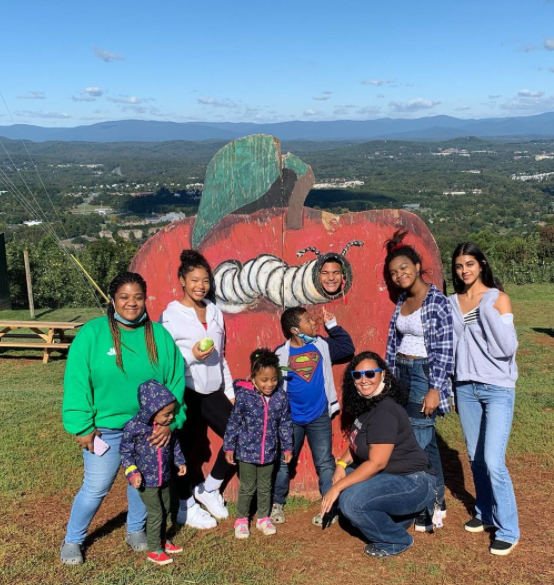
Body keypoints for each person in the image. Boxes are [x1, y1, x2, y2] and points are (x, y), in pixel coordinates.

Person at [60, 272, 186, 566]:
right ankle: (73, 540)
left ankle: (135, 530)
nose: (132, 303)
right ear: (113, 300)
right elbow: (77, 382)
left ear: (145, 299)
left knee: (142, 484)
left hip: (148, 430)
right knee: (96, 487)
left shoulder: (159, 336)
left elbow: (175, 380)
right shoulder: (92, 334)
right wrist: (82, 427)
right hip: (104, 430)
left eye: (138, 297)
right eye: (124, 297)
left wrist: (168, 422)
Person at [321, 351, 436, 557]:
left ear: (382, 374)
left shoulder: (384, 412)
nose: (363, 380)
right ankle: (399, 520)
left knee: (351, 502)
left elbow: (376, 463)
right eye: (358, 376)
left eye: (370, 374)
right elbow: (357, 444)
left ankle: (397, 541)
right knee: (339, 487)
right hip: (390, 476)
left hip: (414, 481)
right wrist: (340, 465)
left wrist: (338, 487)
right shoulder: (368, 405)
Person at [450, 242, 520, 556]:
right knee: (476, 458)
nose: (464, 271)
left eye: (470, 264)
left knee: (493, 461)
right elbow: (452, 346)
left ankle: (509, 530)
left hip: (497, 389)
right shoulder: (453, 302)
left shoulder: (497, 298)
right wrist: (451, 385)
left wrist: (485, 309)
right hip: (465, 387)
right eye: (459, 266)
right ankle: (485, 512)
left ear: (481, 264)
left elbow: (507, 347)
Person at [384, 229, 453, 532]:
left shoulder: (437, 302)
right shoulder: (402, 300)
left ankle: (427, 505)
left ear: (416, 265)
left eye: (403, 268)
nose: (399, 275)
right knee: (421, 441)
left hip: (425, 373)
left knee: (420, 443)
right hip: (401, 370)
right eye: (393, 272)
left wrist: (436, 388)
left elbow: (445, 349)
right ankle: (436, 499)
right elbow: (393, 341)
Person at [159, 249, 234, 529]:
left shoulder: (215, 312)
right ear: (182, 280)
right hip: (186, 391)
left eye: (205, 280)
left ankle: (209, 488)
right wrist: (191, 355)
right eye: (194, 280)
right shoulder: (170, 316)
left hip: (213, 391)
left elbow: (220, 355)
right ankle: (184, 506)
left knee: (239, 435)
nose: (200, 286)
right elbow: (166, 360)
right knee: (183, 451)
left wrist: (228, 390)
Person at [271, 306, 354, 526]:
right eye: (308, 321)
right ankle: (276, 503)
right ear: (295, 330)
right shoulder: (281, 353)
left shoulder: (321, 345)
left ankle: (329, 506)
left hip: (319, 416)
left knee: (325, 462)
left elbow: (347, 347)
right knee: (284, 461)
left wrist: (332, 325)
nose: (313, 323)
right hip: (291, 419)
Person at [223, 349, 293, 539]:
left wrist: (287, 446)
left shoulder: (281, 398)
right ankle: (241, 520)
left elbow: (285, 423)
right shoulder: (245, 397)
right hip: (246, 453)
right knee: (247, 487)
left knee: (265, 486)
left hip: (269, 452)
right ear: (253, 378)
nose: (269, 384)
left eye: (273, 379)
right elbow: (234, 422)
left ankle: (263, 517)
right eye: (264, 379)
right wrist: (229, 446)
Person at [120, 380, 187, 565]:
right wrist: (133, 472)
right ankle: (154, 550)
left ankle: (162, 540)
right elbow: (125, 452)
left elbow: (174, 445)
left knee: (166, 508)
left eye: (172, 412)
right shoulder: (134, 427)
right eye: (167, 414)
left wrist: (179, 461)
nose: (171, 417)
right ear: (151, 411)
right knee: (156, 512)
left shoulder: (166, 428)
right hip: (146, 481)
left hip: (164, 476)